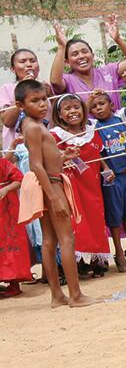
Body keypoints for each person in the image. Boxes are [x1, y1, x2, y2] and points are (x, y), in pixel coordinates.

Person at [15, 79, 96, 307]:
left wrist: (64, 157)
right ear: (21, 106)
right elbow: (36, 165)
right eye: (35, 101)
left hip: (50, 181)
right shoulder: (32, 127)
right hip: (50, 185)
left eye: (43, 100)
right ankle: (75, 295)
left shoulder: (37, 125)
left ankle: (57, 295)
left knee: (50, 240)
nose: (42, 105)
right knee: (66, 239)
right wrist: (52, 196)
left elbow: (47, 160)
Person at [50, 93, 112, 278]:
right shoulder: (56, 136)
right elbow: (53, 160)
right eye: (67, 109)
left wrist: (106, 169)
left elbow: (97, 154)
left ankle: (97, 260)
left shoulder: (91, 131)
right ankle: (76, 262)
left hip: (92, 184)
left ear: (83, 110)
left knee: (95, 218)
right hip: (71, 185)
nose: (73, 112)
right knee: (76, 221)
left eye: (76, 107)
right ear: (59, 114)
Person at [89, 91, 126, 272]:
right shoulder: (92, 126)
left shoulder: (120, 117)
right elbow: (96, 151)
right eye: (94, 107)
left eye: (101, 104)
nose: (98, 109)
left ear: (111, 105)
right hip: (113, 179)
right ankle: (119, 254)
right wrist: (105, 169)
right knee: (115, 217)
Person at [50, 15, 126, 112]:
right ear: (67, 62)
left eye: (84, 51)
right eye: (75, 54)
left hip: (117, 126)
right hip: (86, 127)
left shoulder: (108, 71)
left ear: (92, 56)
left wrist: (118, 39)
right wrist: (61, 47)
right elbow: (55, 82)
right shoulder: (68, 80)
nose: (81, 56)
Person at [1, 49, 47, 150]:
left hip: (44, 144)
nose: (29, 64)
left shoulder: (45, 87)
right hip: (17, 148)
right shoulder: (7, 89)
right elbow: (7, 121)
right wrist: (22, 89)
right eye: (23, 61)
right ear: (13, 69)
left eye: (33, 61)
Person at [0, 155, 32, 297]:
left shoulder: (3, 163)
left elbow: (19, 179)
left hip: (7, 212)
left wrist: (5, 189)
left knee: (10, 245)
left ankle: (14, 284)